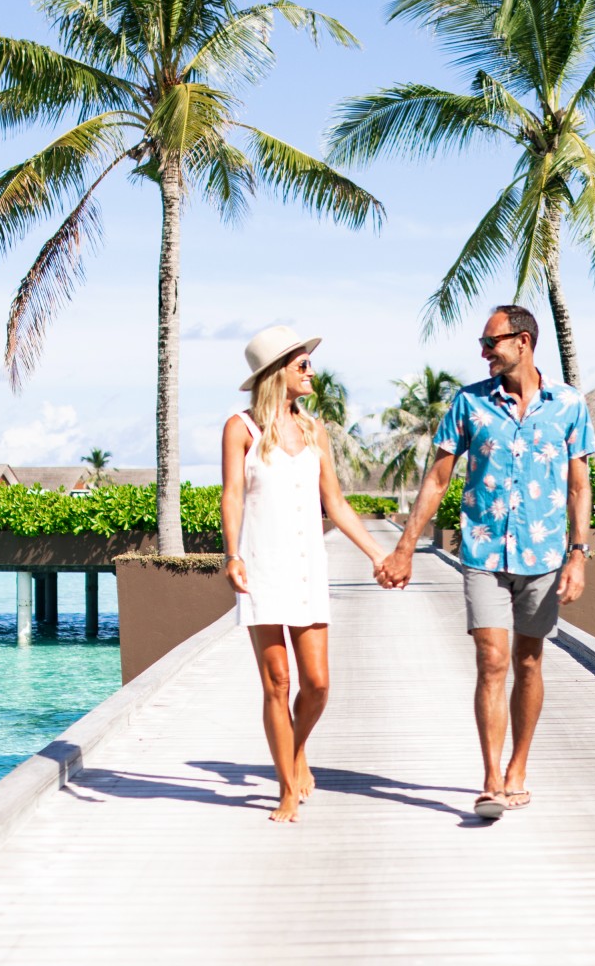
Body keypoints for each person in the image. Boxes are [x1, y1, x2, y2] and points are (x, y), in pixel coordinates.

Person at [378, 305, 595, 819]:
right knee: (492, 660)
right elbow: (438, 479)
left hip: (543, 555)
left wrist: (579, 555)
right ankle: (492, 780)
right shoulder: (469, 403)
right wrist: (405, 547)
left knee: (529, 660)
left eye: (489, 342)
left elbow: (579, 486)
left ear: (523, 341)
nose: (483, 353)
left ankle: (519, 768)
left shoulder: (569, 405)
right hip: (483, 550)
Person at [221, 325, 390, 823]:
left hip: (306, 568)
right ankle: (286, 789)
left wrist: (377, 554)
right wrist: (232, 555)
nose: (311, 371)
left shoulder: (316, 431)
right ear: (277, 372)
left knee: (316, 684)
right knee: (277, 681)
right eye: (302, 364)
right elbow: (232, 496)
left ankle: (295, 749)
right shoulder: (241, 428)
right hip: (260, 566)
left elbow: (334, 502)